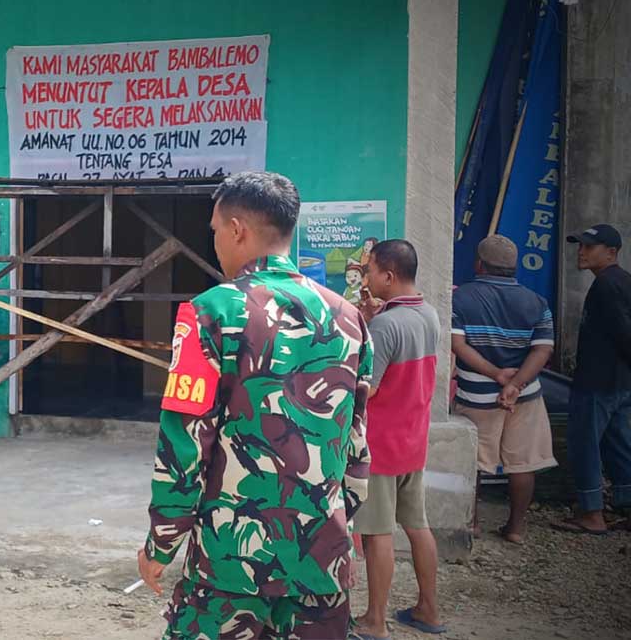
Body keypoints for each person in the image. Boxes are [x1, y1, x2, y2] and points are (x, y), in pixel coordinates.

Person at [137, 171, 372, 640]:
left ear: (238, 228)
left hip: (230, 565)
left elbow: (184, 443)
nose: (217, 243)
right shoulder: (349, 318)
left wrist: (162, 542)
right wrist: (337, 521)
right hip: (321, 559)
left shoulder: (210, 312)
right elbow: (357, 440)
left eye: (216, 230)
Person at [353, 240, 445, 639]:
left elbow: (368, 390)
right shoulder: (429, 315)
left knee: (376, 533)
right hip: (413, 440)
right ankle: (429, 610)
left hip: (381, 446)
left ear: (388, 276)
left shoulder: (386, 326)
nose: (365, 277)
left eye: (369, 270)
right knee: (417, 526)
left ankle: (375, 620)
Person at [451, 235, 556, 544]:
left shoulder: (461, 298)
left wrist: (497, 374)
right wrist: (516, 384)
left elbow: (457, 344)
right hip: (525, 395)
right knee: (522, 463)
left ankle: (472, 524)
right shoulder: (537, 302)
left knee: (475, 462)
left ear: (479, 264)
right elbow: (543, 350)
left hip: (477, 395)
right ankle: (516, 528)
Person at [560, 224, 631, 534]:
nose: (582, 251)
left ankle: (592, 514)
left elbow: (623, 332)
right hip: (619, 381)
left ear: (611, 253)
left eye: (589, 247)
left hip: (599, 381)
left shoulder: (606, 285)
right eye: (581, 245)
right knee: (618, 444)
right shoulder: (622, 281)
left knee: (584, 444)